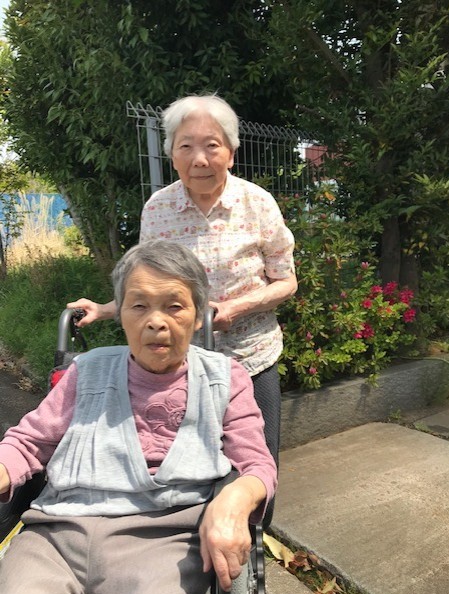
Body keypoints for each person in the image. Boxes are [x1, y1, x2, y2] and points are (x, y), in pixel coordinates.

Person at [0, 239, 277, 594]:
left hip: (164, 544)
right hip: (57, 537)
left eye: (174, 306)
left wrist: (235, 500)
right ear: (122, 314)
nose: (156, 322)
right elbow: (28, 442)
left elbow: (257, 465)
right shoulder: (86, 371)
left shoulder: (224, 378)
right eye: (139, 306)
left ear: (198, 315)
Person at [68, 93, 297, 474]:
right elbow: (149, 286)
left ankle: (257, 512)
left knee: (257, 463)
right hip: (179, 365)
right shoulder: (158, 209)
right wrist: (104, 309)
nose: (199, 159)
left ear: (231, 153)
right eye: (186, 146)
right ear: (172, 155)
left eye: (212, 146)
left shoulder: (257, 203)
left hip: (250, 358)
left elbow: (286, 282)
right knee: (184, 467)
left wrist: (237, 307)